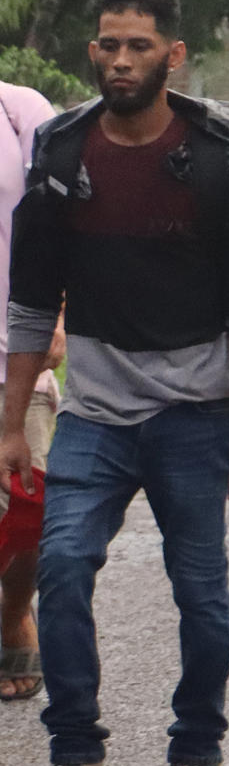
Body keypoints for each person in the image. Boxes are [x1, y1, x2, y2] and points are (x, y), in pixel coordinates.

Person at [8, 0, 229, 766]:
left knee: (198, 591)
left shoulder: (215, 155)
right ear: (92, 52)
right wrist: (12, 423)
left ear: (174, 54)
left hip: (196, 418)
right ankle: (75, 763)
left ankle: (197, 757)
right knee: (60, 567)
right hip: (92, 412)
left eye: (139, 46)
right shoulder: (60, 151)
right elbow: (26, 304)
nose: (122, 61)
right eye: (109, 46)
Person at [0, 80, 58, 705]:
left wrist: (60, 312)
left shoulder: (20, 110)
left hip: (12, 346)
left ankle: (15, 608)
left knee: (26, 513)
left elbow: (59, 220)